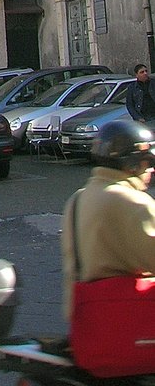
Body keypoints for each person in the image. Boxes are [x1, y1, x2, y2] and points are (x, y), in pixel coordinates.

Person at [61, 119, 155, 339]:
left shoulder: (77, 199)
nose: (151, 169)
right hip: (133, 328)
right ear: (131, 163)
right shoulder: (135, 202)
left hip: (88, 328)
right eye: (147, 162)